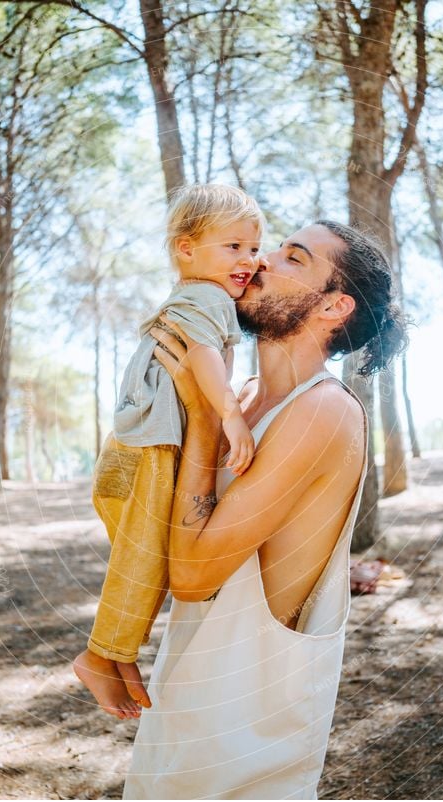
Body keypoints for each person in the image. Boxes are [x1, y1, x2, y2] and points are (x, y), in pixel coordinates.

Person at [122, 219, 408, 799]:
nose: (262, 261)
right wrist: (113, 644)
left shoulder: (323, 412)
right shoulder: (245, 397)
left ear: (333, 307)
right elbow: (168, 530)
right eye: (273, 248)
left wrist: (203, 421)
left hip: (245, 746)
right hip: (181, 705)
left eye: (294, 258)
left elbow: (196, 575)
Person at [73, 184, 264, 720]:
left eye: (254, 248)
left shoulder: (203, 295)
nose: (249, 260)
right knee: (145, 556)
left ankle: (118, 655)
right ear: (186, 248)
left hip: (138, 449)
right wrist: (230, 415)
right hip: (148, 450)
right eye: (233, 247)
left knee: (149, 557)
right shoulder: (206, 297)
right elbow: (202, 357)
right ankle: (98, 655)